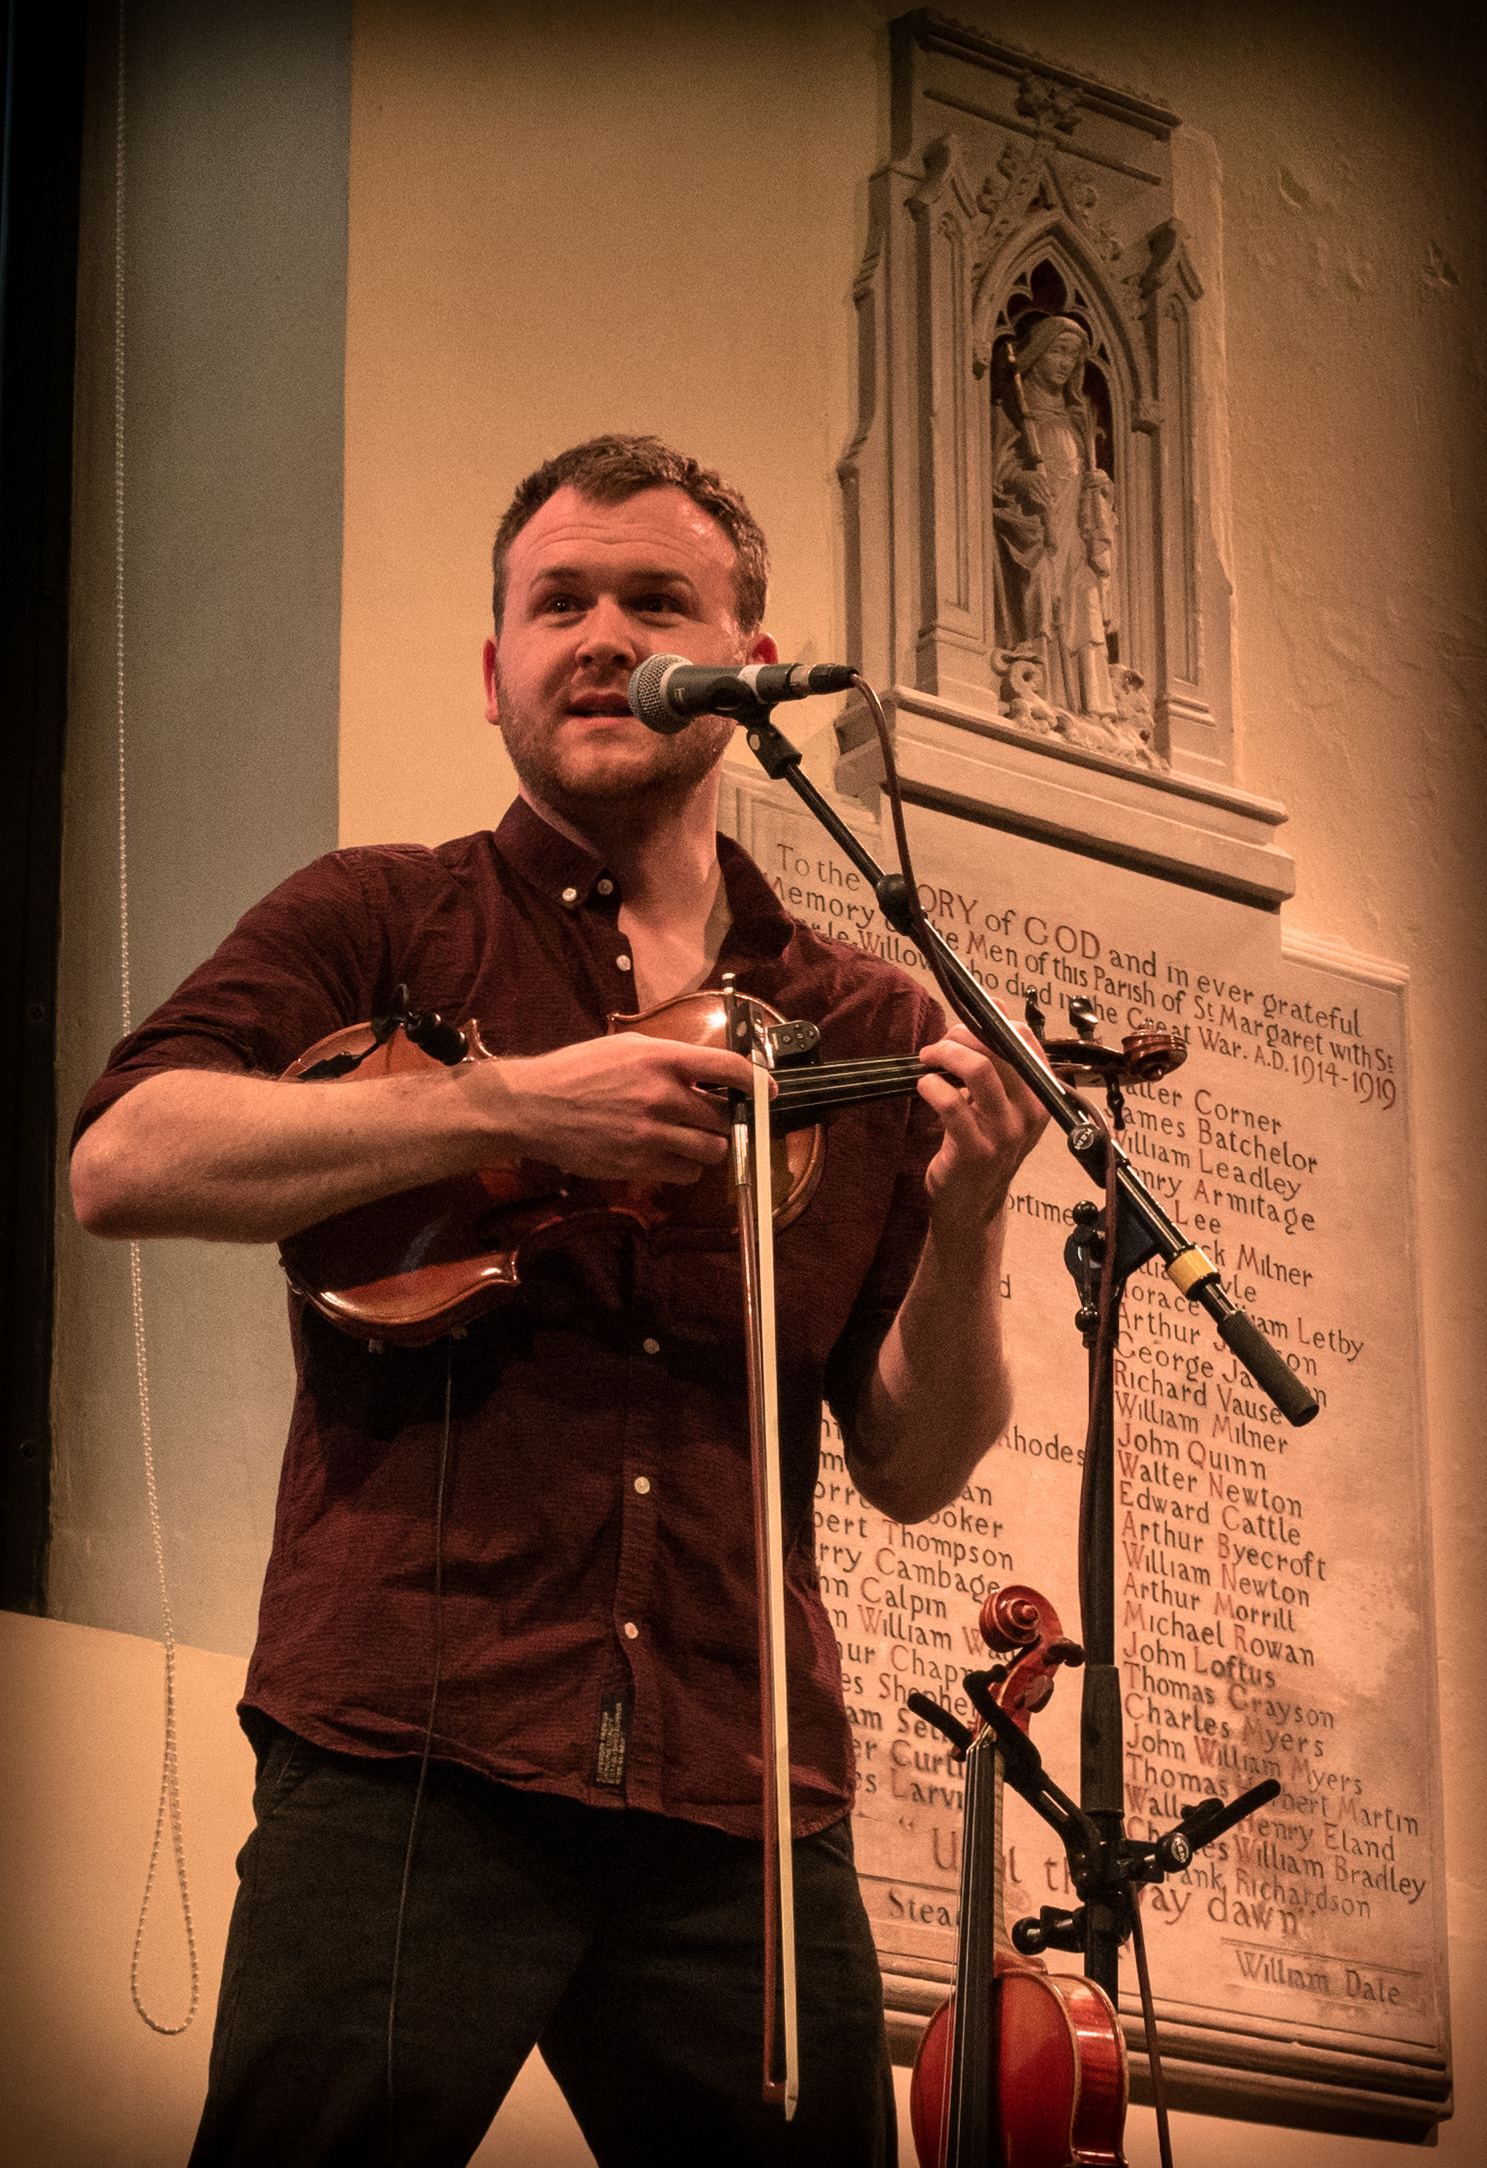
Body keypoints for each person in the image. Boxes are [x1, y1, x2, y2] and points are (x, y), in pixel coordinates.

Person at [71, 434, 1048, 2167]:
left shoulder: (865, 1021)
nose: (601, 637)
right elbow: (124, 1158)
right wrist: (508, 1105)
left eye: (654, 601)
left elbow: (911, 1463)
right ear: (492, 669)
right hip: (409, 1747)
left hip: (741, 1794)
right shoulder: (383, 914)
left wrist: (968, 1215)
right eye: (557, 604)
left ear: (748, 667)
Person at [992, 314, 1119, 722]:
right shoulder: (1014, 411)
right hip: (1035, 529)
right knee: (1043, 595)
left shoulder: (1076, 420)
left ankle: (1088, 706)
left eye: (1072, 356)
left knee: (1082, 600)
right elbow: (995, 469)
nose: (1065, 363)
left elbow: (1083, 479)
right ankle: (1044, 690)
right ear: (1038, 352)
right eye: (1058, 351)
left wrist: (1100, 487)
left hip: (1073, 533)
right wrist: (1021, 479)